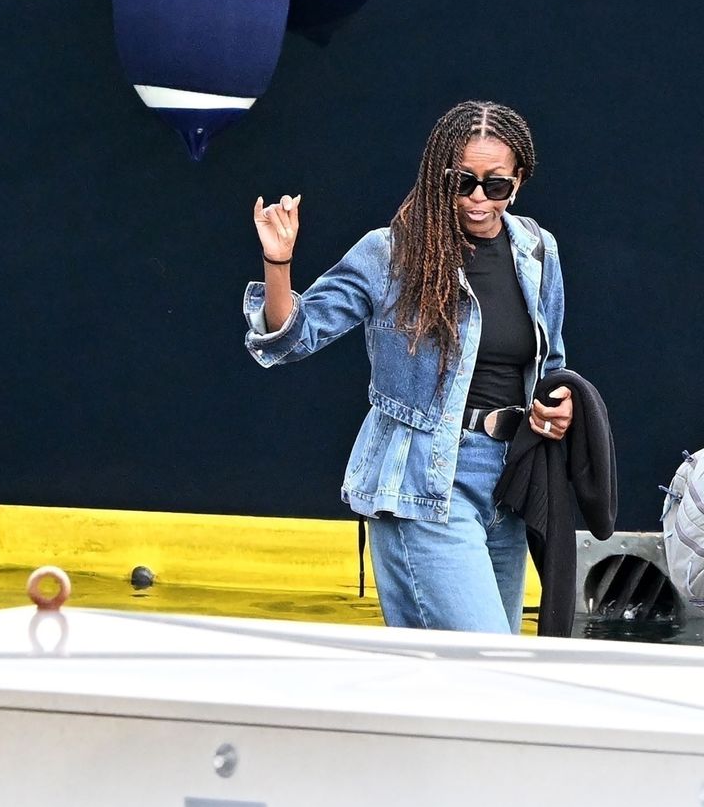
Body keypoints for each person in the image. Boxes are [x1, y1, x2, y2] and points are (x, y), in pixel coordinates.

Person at [244, 100, 573, 634]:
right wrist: (278, 262)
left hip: (509, 485)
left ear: (519, 182)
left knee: (496, 678)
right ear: (438, 175)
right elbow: (289, 337)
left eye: (496, 186)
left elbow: (551, 363)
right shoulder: (392, 253)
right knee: (488, 665)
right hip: (423, 485)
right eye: (462, 181)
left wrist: (555, 409)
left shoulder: (538, 250)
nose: (476, 199)